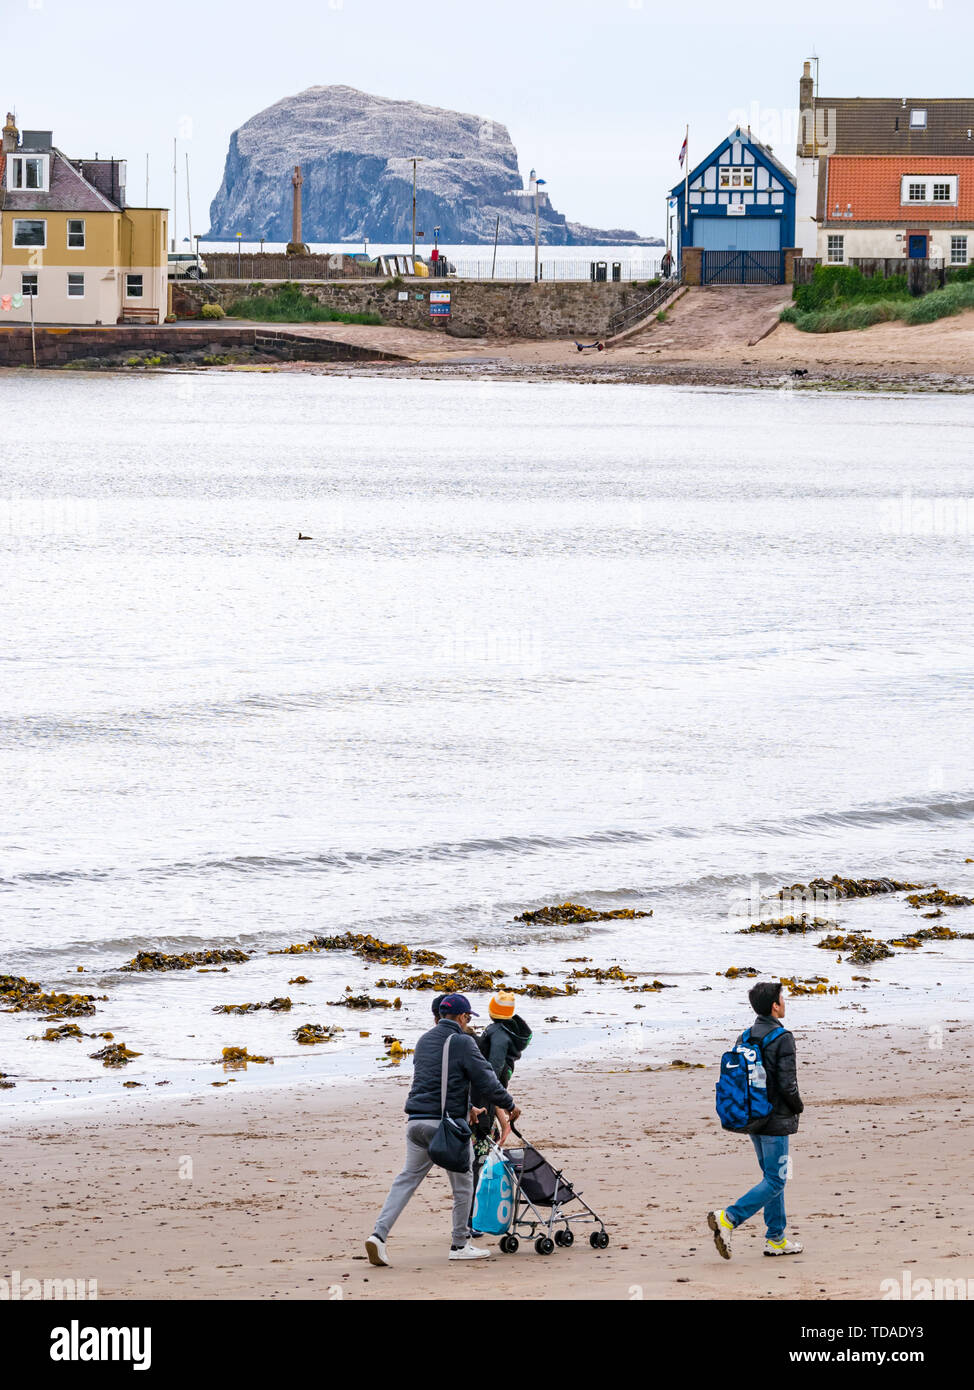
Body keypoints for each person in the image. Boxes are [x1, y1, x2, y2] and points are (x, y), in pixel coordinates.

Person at [366, 993, 519, 1267]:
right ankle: (460, 1243)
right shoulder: (462, 1041)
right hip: (445, 1126)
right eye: (468, 1017)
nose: (467, 1021)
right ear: (462, 1017)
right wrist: (509, 1105)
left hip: (415, 1122)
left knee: (406, 1180)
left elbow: (435, 1081)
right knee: (463, 1184)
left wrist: (468, 1107)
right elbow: (486, 1079)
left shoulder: (424, 1040)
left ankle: (378, 1235)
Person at [708, 981, 804, 1259]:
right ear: (774, 1006)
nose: (784, 1002)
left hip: (752, 1115)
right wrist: (798, 1107)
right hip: (775, 1119)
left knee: (772, 1177)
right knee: (776, 1179)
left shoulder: (745, 1036)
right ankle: (729, 1218)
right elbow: (788, 1085)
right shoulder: (783, 1037)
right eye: (782, 998)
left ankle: (775, 1238)